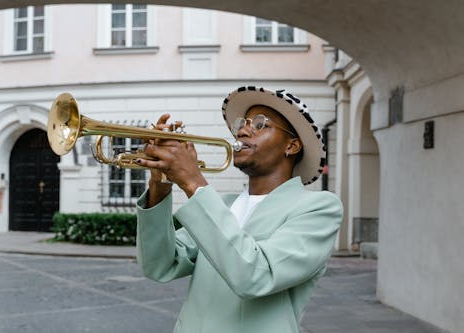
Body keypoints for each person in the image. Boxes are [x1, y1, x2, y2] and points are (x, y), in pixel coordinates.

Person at [135, 86, 343, 333]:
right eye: (242, 124)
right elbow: (160, 265)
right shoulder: (223, 204)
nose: (242, 130)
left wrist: (193, 182)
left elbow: (256, 276)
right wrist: (160, 185)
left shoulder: (318, 208)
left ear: (292, 146)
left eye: (259, 124)